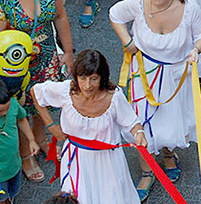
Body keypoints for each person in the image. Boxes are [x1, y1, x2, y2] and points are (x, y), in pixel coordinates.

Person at [109, 0, 201, 201]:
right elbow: (115, 14)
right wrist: (127, 41)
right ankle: (147, 171)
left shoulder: (189, 8)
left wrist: (196, 49)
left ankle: (168, 154)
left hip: (176, 78)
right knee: (140, 123)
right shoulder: (137, 2)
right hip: (143, 74)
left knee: (170, 122)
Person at [0, 0, 73, 183]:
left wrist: (68, 51)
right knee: (21, 108)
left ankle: (41, 139)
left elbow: (60, 15)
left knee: (43, 102)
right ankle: (26, 155)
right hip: (16, 64)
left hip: (46, 53)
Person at [32, 50, 146, 204]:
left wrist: (139, 133)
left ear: (102, 78)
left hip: (108, 161)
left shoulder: (114, 97)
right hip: (76, 160)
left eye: (93, 79)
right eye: (82, 78)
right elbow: (36, 92)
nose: (87, 85)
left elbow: (132, 122)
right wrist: (51, 126)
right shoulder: (66, 91)